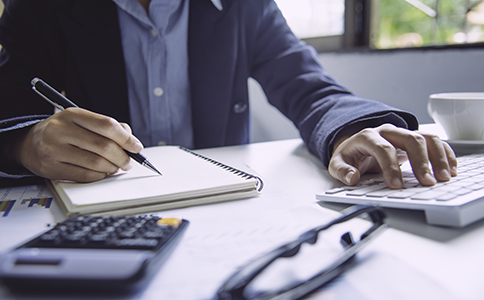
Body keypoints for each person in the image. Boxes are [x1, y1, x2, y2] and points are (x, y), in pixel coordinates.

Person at [0, 0, 457, 189]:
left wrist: (354, 128)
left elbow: (306, 86)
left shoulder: (243, 5)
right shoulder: (38, 8)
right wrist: (26, 143)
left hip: (223, 207)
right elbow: (9, 110)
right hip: (94, 215)